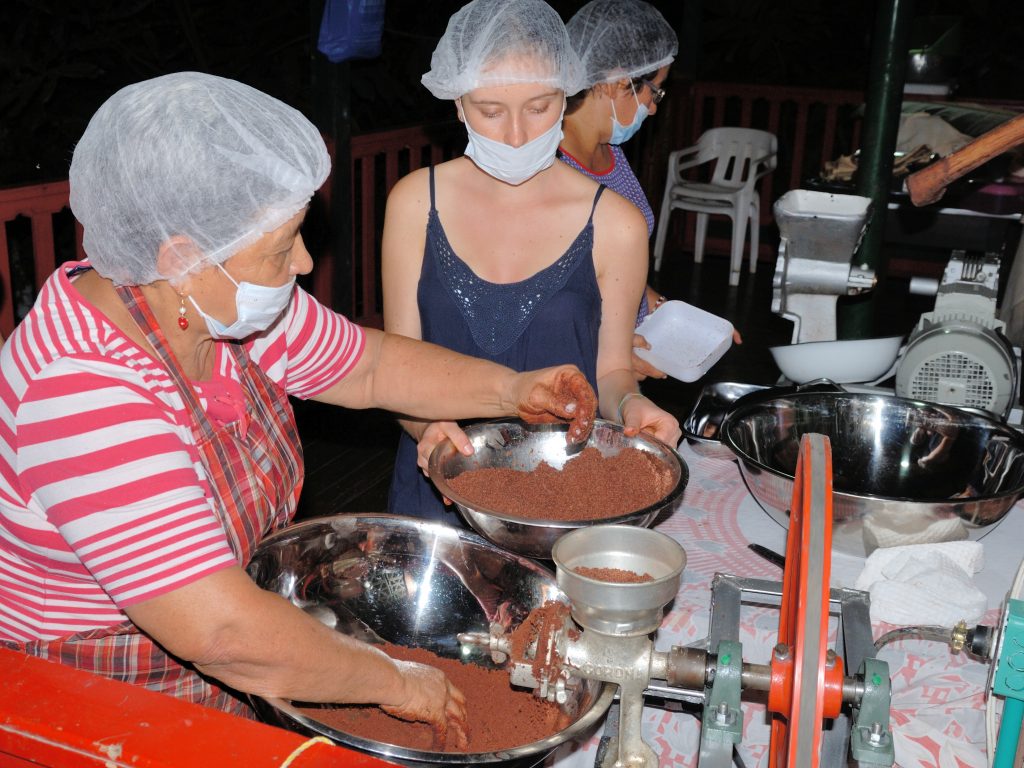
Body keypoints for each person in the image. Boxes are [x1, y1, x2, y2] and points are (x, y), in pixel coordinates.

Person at [0, 72, 601, 747]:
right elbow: (222, 631)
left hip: (216, 665)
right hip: (94, 705)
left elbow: (372, 367)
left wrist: (513, 389)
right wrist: (400, 683)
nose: (307, 261)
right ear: (183, 259)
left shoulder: (215, 307)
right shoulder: (83, 393)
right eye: (282, 249)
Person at [382, 0, 682, 523]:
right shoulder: (414, 202)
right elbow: (398, 366)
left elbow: (611, 370)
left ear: (567, 98)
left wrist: (633, 406)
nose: (516, 135)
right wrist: (420, 428)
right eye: (491, 111)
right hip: (434, 485)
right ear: (458, 105)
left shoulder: (617, 223)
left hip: (563, 493)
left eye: (539, 107)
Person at [560, 0, 679, 380]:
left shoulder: (612, 153)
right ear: (616, 82)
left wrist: (658, 305)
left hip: (622, 351)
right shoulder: (549, 166)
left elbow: (609, 264)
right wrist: (609, 350)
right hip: (572, 365)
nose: (654, 108)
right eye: (654, 93)